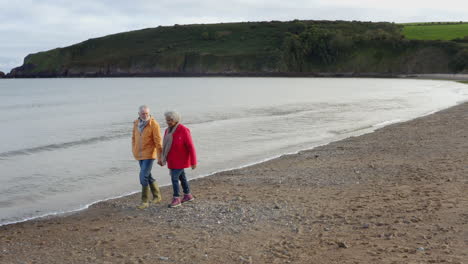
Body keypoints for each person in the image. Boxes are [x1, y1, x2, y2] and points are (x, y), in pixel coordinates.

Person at [159, 111, 197, 208]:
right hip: (171, 160)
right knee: (182, 177)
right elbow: (164, 146)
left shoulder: (184, 130)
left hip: (181, 160)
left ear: (176, 120)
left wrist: (193, 162)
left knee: (174, 177)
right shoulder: (167, 131)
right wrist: (161, 158)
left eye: (170, 120)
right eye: (167, 120)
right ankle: (188, 195)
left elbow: (191, 147)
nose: (168, 122)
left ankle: (176, 198)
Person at [132, 105, 163, 209]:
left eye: (146, 113)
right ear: (139, 114)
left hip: (149, 155)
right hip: (139, 154)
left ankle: (144, 201)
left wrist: (160, 157)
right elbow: (133, 138)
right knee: (147, 175)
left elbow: (158, 142)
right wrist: (134, 149)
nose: (145, 115)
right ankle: (157, 196)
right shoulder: (136, 123)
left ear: (149, 113)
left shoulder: (154, 124)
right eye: (143, 114)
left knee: (143, 177)